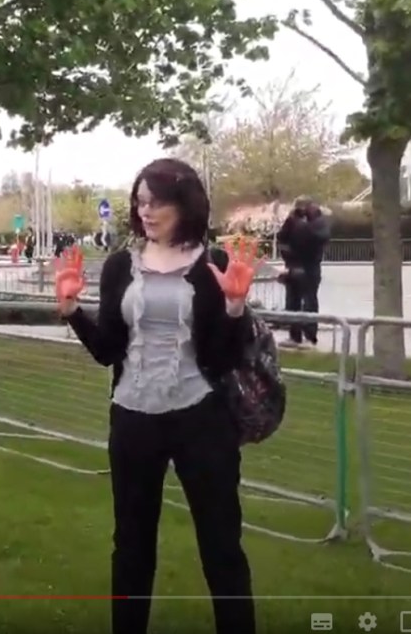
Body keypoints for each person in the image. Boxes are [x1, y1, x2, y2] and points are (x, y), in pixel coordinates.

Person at [52, 158, 261, 634]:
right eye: (140, 201)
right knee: (131, 545)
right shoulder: (121, 266)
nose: (146, 211)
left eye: (157, 202)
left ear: (184, 205)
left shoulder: (215, 264)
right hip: (133, 419)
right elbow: (108, 350)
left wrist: (234, 306)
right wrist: (72, 313)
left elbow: (225, 358)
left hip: (201, 420)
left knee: (222, 544)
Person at [275, 196, 330, 348]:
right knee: (293, 301)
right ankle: (295, 335)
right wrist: (288, 257)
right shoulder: (292, 220)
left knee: (309, 301)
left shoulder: (318, 222)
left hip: (310, 266)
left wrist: (301, 226)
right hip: (294, 265)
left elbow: (321, 238)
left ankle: (310, 336)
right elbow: (282, 238)